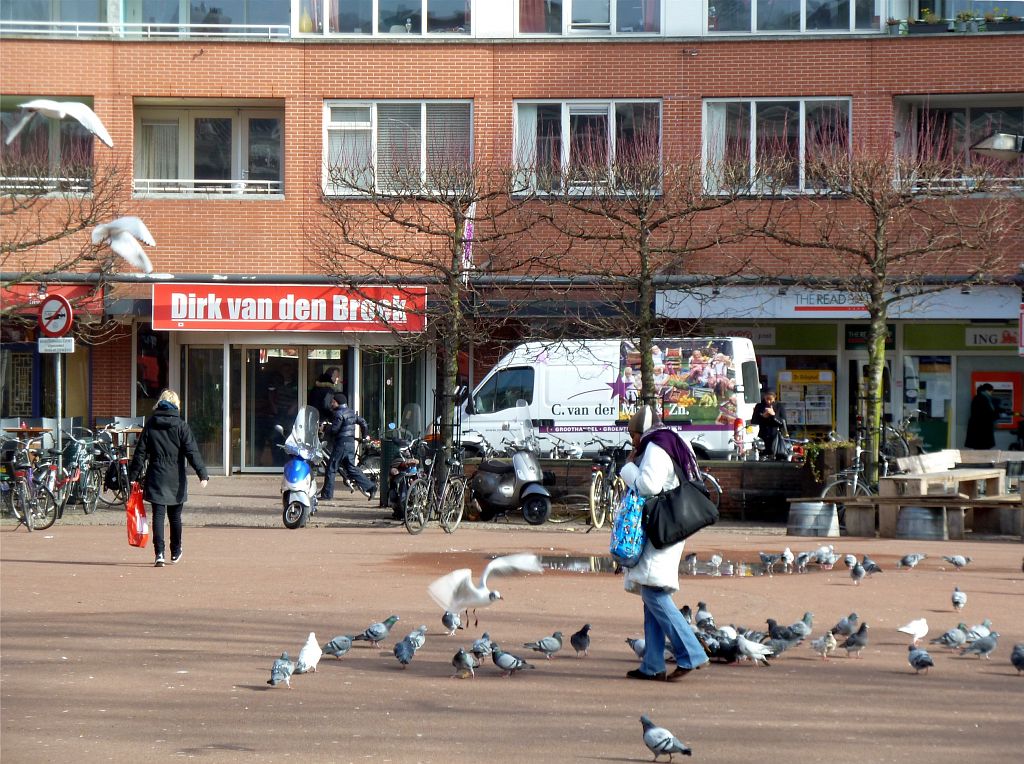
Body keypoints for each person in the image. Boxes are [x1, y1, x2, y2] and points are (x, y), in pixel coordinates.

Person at [619, 405, 710, 682]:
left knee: (654, 593)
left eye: (633, 435)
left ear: (640, 432)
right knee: (650, 592)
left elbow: (649, 486)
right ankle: (653, 664)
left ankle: (692, 654)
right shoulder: (671, 440)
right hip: (670, 522)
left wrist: (627, 468)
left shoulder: (656, 447)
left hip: (663, 525)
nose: (633, 442)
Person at [128, 389, 209, 568]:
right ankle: (176, 550)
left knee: (158, 515)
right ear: (176, 404)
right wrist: (202, 474)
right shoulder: (181, 425)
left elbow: (140, 452)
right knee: (175, 516)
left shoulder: (150, 424)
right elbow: (192, 451)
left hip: (156, 474)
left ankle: (159, 553)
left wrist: (133, 476)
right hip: (176, 477)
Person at [320, 392, 375, 502]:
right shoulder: (351, 412)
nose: (331, 403)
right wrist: (364, 436)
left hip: (341, 444)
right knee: (351, 468)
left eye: (333, 401)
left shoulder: (338, 414)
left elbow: (335, 430)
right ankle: (371, 487)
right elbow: (363, 422)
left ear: (338, 402)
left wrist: (325, 428)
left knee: (331, 468)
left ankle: (327, 495)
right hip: (350, 443)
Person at [751, 389, 789, 460]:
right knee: (762, 457)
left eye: (770, 399)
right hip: (762, 436)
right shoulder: (759, 406)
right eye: (766, 399)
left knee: (777, 458)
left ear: (774, 398)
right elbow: (754, 421)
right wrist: (763, 417)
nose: (768, 401)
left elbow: (783, 423)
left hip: (776, 437)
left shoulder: (779, 406)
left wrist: (774, 415)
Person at [964, 383, 1002, 449]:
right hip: (981, 429)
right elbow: (987, 412)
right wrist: (996, 414)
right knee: (982, 448)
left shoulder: (981, 398)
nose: (992, 392)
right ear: (987, 390)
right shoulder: (982, 399)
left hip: (980, 428)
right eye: (991, 391)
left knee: (981, 447)